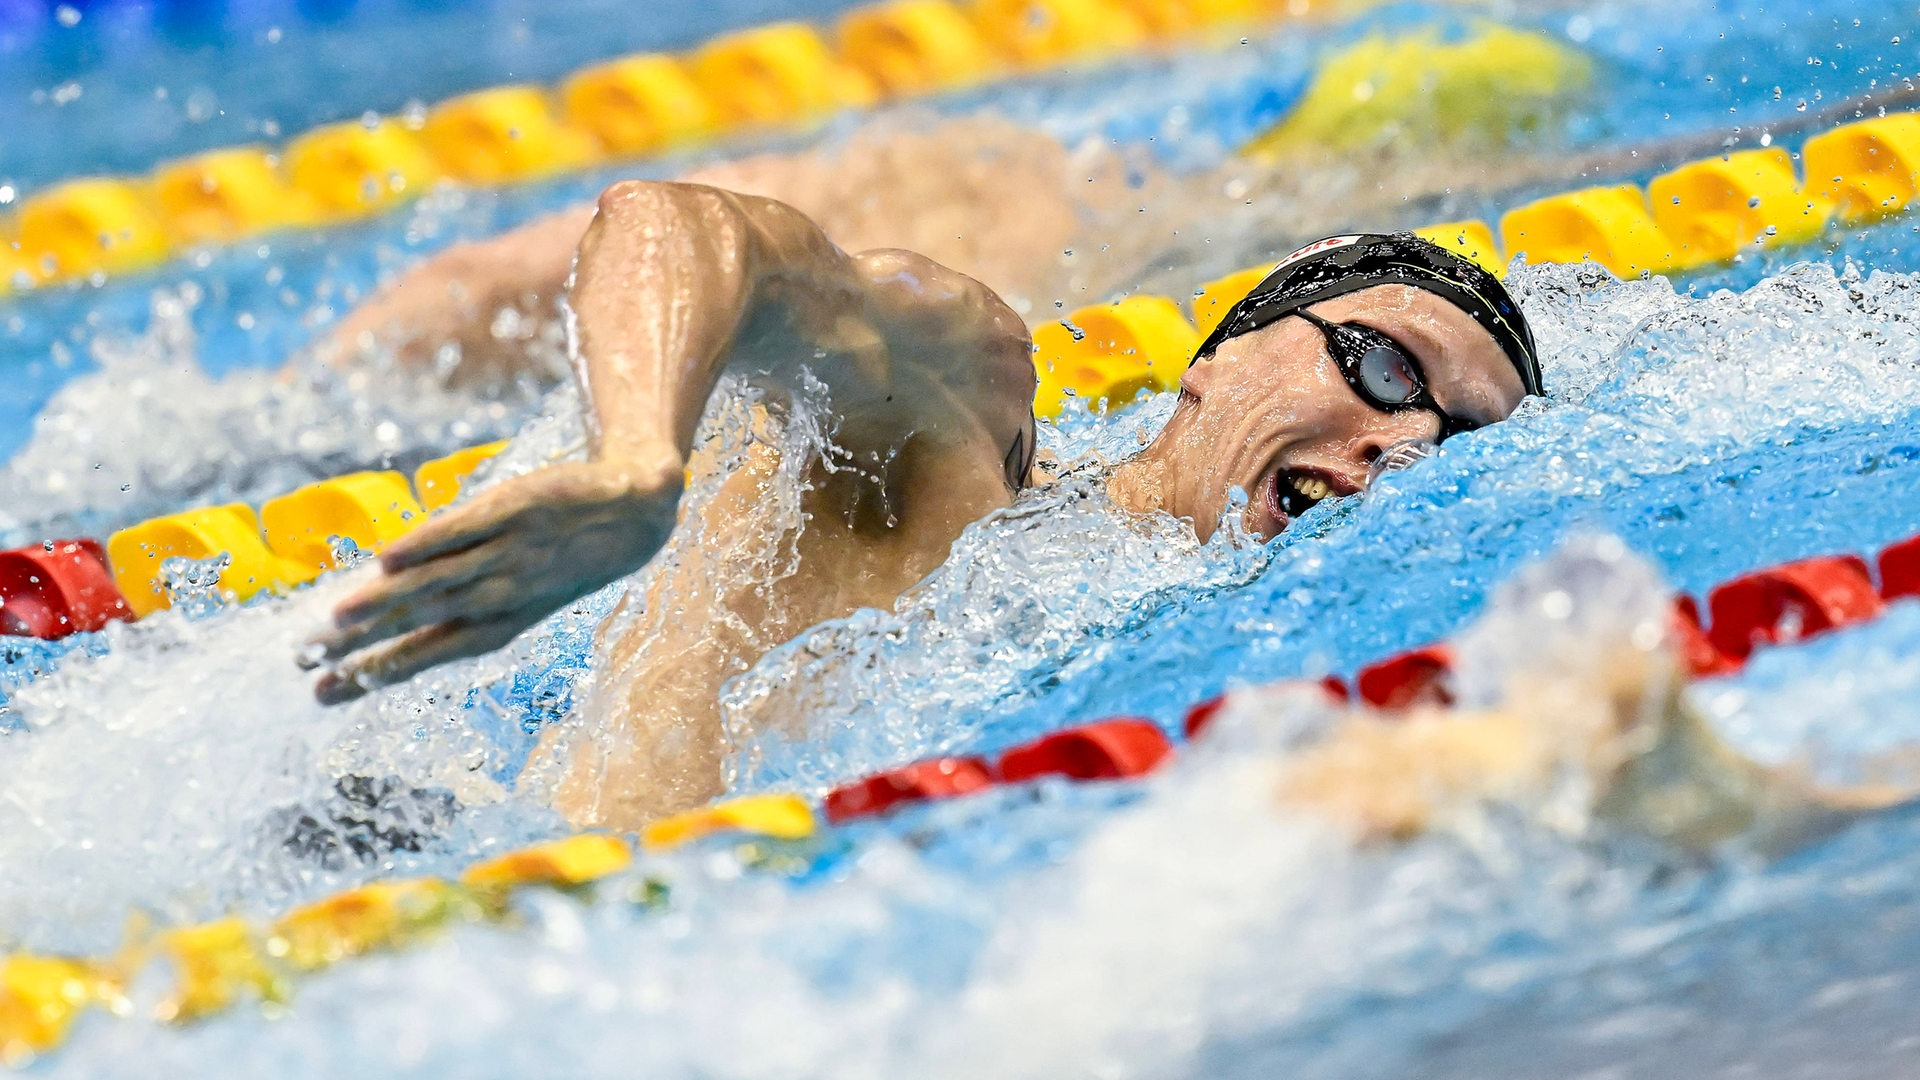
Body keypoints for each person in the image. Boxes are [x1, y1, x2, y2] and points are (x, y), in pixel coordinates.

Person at [298, 180, 1908, 855]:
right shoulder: (945, 440)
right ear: (1209, 363)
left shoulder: (1219, 658)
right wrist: (635, 460)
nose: (1399, 441)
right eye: (1377, 362)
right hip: (486, 885)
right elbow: (683, 223)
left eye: (1449, 437)